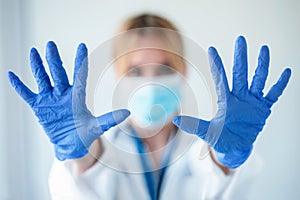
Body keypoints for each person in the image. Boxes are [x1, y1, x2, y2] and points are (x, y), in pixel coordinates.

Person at [7, 14, 291, 199]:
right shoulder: (103, 150)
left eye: (165, 66)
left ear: (183, 73)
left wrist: (226, 158)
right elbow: (87, 172)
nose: (151, 81)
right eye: (135, 70)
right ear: (118, 76)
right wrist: (75, 155)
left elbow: (213, 169)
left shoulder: (203, 147)